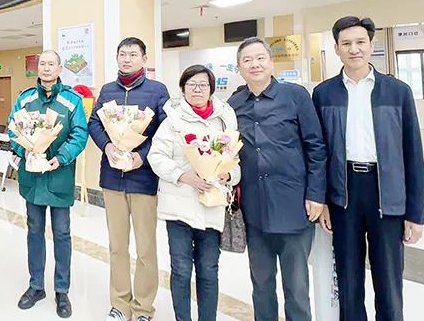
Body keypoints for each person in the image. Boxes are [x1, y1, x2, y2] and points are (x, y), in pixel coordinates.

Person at [314, 16, 424, 321]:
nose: (354, 49)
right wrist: (323, 201)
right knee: (348, 278)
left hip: (387, 193)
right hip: (343, 193)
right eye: (346, 43)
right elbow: (319, 152)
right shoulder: (324, 93)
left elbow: (413, 153)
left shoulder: (397, 91)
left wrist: (415, 213)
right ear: (336, 48)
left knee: (389, 280)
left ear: (371, 45)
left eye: (360, 42)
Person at [227, 37, 327, 321]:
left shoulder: (295, 96)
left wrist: (316, 194)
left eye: (260, 58)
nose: (254, 64)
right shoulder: (234, 104)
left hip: (293, 205)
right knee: (261, 285)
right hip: (255, 209)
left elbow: (316, 147)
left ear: (271, 63)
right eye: (247, 60)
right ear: (239, 68)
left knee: (297, 287)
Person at [148, 65, 241, 321]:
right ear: (183, 89)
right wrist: (184, 176)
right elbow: (156, 156)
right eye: (191, 84)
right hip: (178, 206)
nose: (197, 89)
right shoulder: (172, 121)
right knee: (180, 269)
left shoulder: (225, 119)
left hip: (211, 205)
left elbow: (235, 161)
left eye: (203, 84)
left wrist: (228, 175)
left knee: (209, 269)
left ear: (211, 89)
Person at [88, 37, 170, 321]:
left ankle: (144, 307)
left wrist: (141, 156)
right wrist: (107, 146)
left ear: (144, 59)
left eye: (133, 54)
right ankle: (120, 304)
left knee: (146, 248)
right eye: (122, 54)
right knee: (117, 246)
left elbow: (165, 131)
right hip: (112, 177)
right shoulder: (107, 90)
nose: (127, 59)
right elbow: (94, 123)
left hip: (143, 179)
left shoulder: (157, 91)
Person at [8, 50, 89, 319]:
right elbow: (13, 129)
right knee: (34, 230)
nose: (45, 68)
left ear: (59, 68)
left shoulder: (72, 100)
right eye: (42, 63)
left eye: (50, 64)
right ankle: (36, 286)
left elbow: (79, 133)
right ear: (37, 68)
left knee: (62, 233)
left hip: (59, 176)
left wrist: (61, 157)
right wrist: (25, 150)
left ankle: (62, 290)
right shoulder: (25, 98)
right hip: (32, 178)